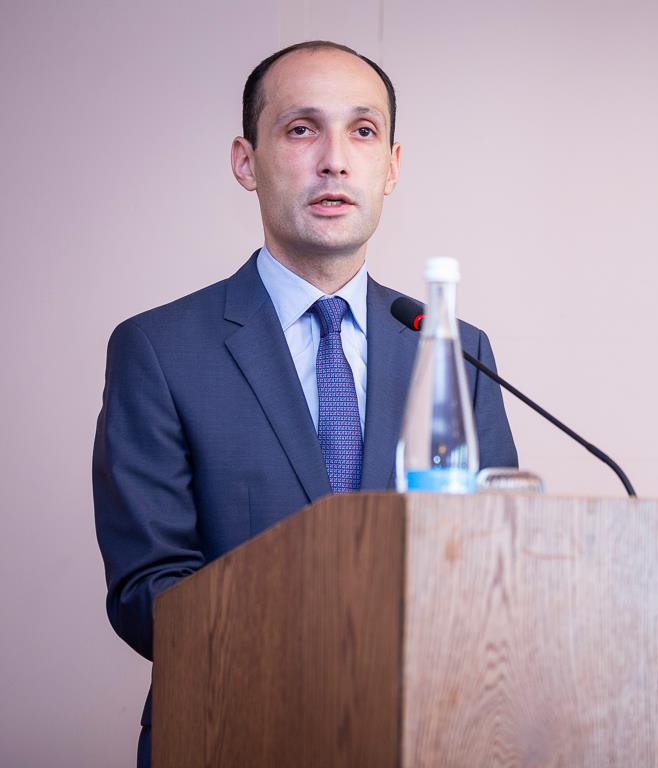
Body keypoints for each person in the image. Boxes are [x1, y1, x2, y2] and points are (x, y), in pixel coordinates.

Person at [92, 40, 518, 767]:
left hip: (423, 739)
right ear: (245, 161)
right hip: (229, 734)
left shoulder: (453, 347)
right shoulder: (159, 349)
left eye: (362, 131)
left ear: (391, 167)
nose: (334, 160)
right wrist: (332, 632)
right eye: (300, 129)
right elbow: (146, 593)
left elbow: (497, 567)